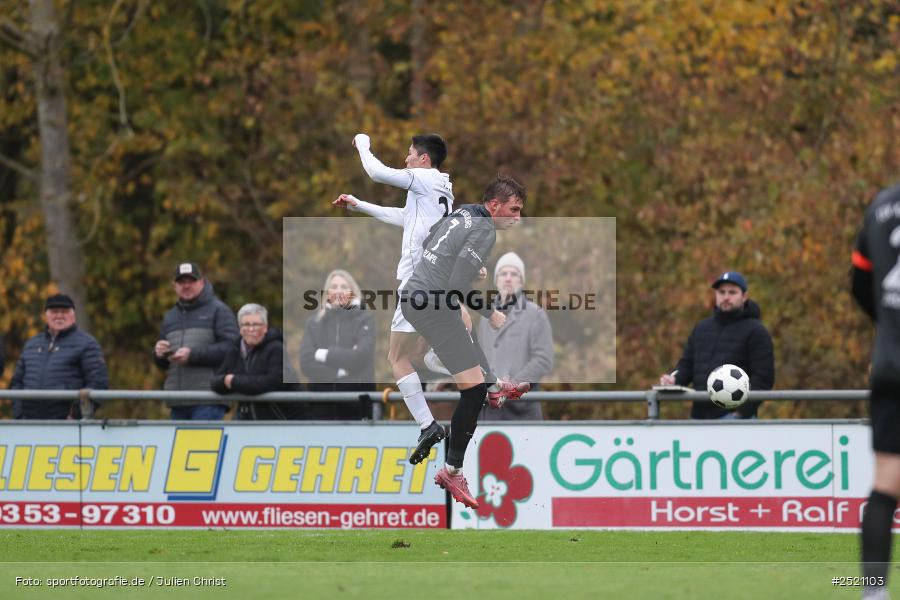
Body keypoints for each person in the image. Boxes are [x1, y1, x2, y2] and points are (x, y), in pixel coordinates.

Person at [400, 174, 531, 508]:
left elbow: (431, 241)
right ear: (494, 205)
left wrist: (469, 271)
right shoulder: (485, 229)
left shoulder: (463, 212)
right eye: (513, 210)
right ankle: (451, 470)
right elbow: (458, 284)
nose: (517, 217)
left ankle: (494, 384)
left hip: (416, 298)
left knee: (466, 335)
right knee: (471, 394)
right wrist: (492, 313)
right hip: (431, 306)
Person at [333, 132, 454, 459]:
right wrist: (360, 206)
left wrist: (362, 142)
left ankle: (428, 424)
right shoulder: (441, 186)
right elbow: (404, 218)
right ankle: (478, 377)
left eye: (410, 154)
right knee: (421, 352)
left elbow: (376, 172)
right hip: (438, 278)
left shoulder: (423, 177)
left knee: (397, 358)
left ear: (424, 158)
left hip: (417, 279)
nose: (406, 159)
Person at [851, 183, 900, 600]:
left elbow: (860, 285)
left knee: (885, 485)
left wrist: (889, 327)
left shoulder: (881, 207)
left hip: (891, 363)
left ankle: (873, 591)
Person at [659, 271, 775, 419]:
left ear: (744, 296)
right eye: (722, 292)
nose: (726, 297)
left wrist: (741, 413)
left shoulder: (756, 331)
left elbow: (763, 379)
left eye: (732, 292)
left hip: (734, 419)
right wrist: (674, 379)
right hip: (698, 417)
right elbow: (687, 365)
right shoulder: (701, 328)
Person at [153, 262, 239, 420]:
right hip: (178, 402)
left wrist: (192, 355)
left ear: (202, 282)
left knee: (201, 446)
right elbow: (162, 365)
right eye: (181, 282)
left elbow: (232, 350)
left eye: (191, 281)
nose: (186, 286)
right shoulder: (170, 316)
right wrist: (159, 354)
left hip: (209, 399)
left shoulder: (220, 311)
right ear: (174, 286)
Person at [477, 252, 554, 421]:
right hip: (490, 411)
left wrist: (510, 387)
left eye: (514, 274)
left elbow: (543, 359)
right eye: (503, 274)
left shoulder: (536, 314)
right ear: (496, 280)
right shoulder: (485, 315)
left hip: (523, 411)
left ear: (521, 280)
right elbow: (480, 358)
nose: (508, 278)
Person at [10, 293, 108, 419]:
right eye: (54, 311)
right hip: (28, 424)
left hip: (67, 427)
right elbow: (16, 382)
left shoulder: (87, 343)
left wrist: (76, 414)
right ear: (46, 316)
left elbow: (98, 383)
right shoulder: (31, 344)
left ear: (74, 316)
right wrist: (19, 414)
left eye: (65, 311)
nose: (59, 315)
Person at [299, 269, 376, 419]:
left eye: (344, 287)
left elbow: (360, 357)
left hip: (356, 407)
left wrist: (324, 354)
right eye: (334, 287)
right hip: (320, 407)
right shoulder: (314, 323)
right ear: (327, 292)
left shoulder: (365, 320)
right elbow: (306, 363)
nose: (338, 291)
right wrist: (339, 372)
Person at [211, 303, 305, 420]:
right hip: (248, 418)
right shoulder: (234, 349)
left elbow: (271, 382)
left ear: (265, 327)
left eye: (256, 324)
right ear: (240, 329)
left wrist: (232, 381)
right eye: (246, 324)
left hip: (281, 418)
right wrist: (225, 380)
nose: (251, 329)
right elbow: (215, 382)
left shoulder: (276, 348)